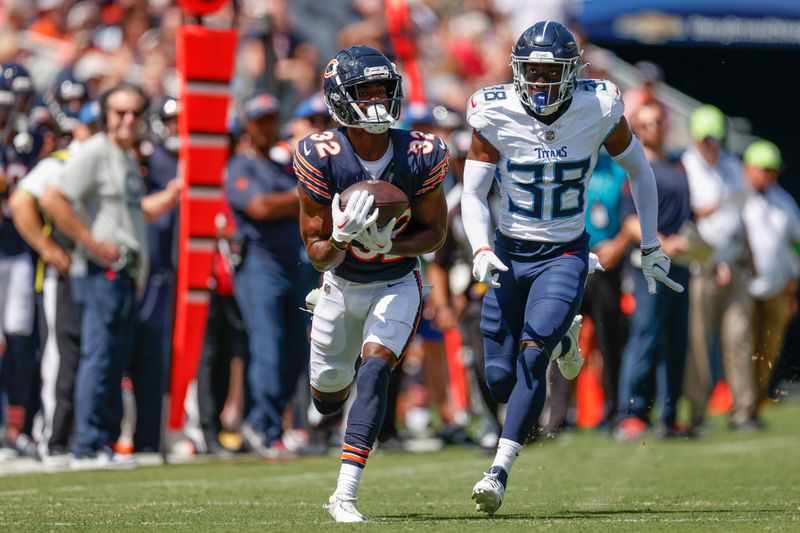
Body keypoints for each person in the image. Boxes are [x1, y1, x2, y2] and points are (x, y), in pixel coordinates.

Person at [461, 21, 683, 515]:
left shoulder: (598, 104)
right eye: (532, 72)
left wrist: (649, 244)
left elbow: (640, 171)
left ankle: (498, 471)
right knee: (499, 377)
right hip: (508, 253)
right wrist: (479, 248)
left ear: (571, 74)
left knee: (532, 353)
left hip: (564, 254)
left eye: (550, 72)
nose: (539, 82)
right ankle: (565, 339)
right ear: (517, 72)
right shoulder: (494, 111)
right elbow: (473, 192)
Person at [297, 45, 448, 522]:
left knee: (376, 368)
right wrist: (341, 236)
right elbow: (317, 251)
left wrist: (389, 247)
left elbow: (435, 233)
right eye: (367, 92)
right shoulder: (320, 155)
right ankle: (327, 381)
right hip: (339, 284)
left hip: (396, 282)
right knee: (327, 395)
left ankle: (344, 493)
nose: (380, 101)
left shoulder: (419, 153)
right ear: (341, 99)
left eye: (385, 91)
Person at [40, 83, 150, 468]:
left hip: (123, 274)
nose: (127, 120)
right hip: (101, 272)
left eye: (134, 113)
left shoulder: (124, 155)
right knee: (98, 358)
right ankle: (85, 444)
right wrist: (89, 242)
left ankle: (100, 441)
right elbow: (53, 198)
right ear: (106, 115)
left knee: (113, 361)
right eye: (119, 112)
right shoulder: (95, 151)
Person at [224, 92, 308, 459]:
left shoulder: (280, 167)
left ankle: (271, 423)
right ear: (248, 126)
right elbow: (259, 206)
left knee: (296, 351)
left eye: (272, 118)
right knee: (268, 347)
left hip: (292, 262)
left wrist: (293, 198)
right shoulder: (241, 167)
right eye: (261, 121)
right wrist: (301, 196)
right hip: (259, 265)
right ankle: (263, 424)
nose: (268, 126)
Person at [614, 102, 693, 440]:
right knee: (645, 337)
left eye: (657, 122)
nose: (652, 129)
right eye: (644, 124)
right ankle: (631, 412)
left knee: (676, 341)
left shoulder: (679, 166)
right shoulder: (634, 166)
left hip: (680, 265)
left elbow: (689, 213)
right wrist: (660, 243)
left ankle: (670, 413)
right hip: (649, 264)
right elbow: (629, 220)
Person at [681, 105, 756, 431]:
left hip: (734, 263)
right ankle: (698, 412)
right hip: (702, 266)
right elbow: (691, 218)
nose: (713, 145)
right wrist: (713, 261)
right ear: (696, 139)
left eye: (717, 139)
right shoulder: (685, 166)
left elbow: (742, 216)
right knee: (698, 343)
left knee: (739, 339)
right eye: (707, 139)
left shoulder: (731, 165)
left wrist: (748, 255)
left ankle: (744, 411)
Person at [741, 140, 800, 417]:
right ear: (748, 169)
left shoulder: (784, 202)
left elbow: (796, 244)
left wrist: (794, 280)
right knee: (741, 347)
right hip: (743, 288)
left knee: (769, 348)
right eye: (763, 169)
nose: (768, 175)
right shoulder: (737, 197)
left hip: (777, 288)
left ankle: (756, 399)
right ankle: (740, 401)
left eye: (772, 170)